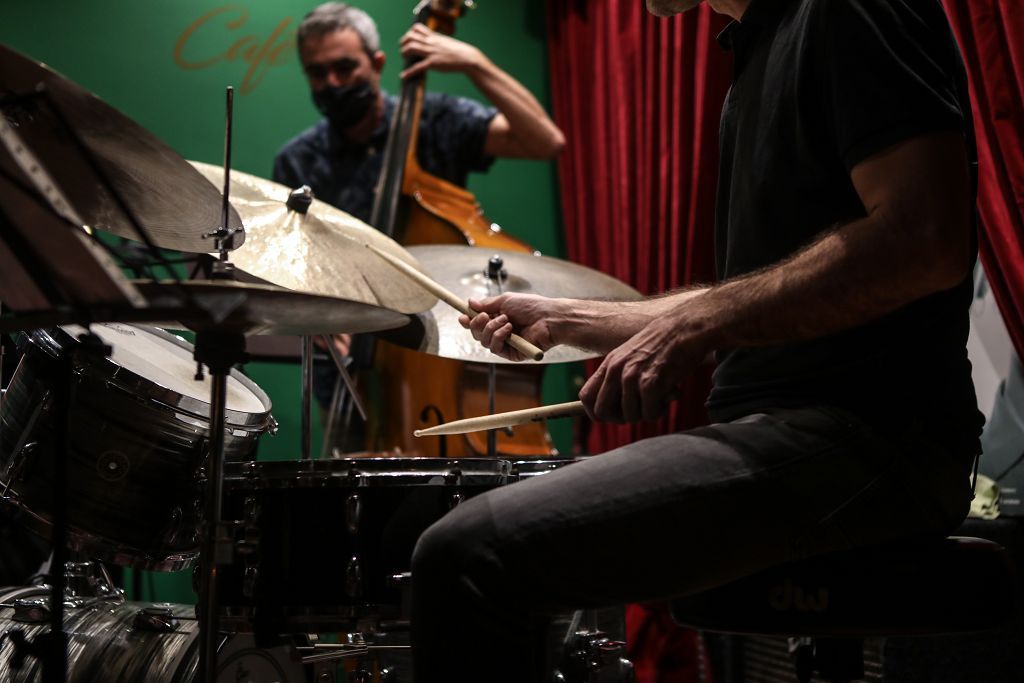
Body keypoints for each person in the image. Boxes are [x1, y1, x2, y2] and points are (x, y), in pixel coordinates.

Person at [410, 0, 984, 680]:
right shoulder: (763, 41)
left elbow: (924, 238)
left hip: (873, 443)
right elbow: (757, 287)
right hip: (803, 433)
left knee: (468, 556)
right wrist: (571, 318)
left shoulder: (846, 10)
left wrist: (691, 325)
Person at [272, 1, 565, 419]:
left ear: (376, 64)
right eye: (318, 73)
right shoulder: (297, 162)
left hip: (441, 350)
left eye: (344, 67)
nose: (332, 82)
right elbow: (293, 268)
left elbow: (545, 142)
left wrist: (474, 63)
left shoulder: (434, 120)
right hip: (351, 371)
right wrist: (318, 318)